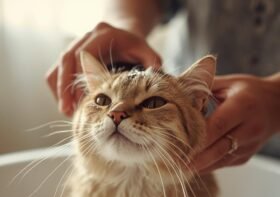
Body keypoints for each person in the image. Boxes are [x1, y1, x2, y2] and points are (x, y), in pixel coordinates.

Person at [46, 0, 280, 173]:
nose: (117, 114)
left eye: (153, 103)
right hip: (183, 140)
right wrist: (126, 24)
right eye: (102, 101)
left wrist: (275, 97)